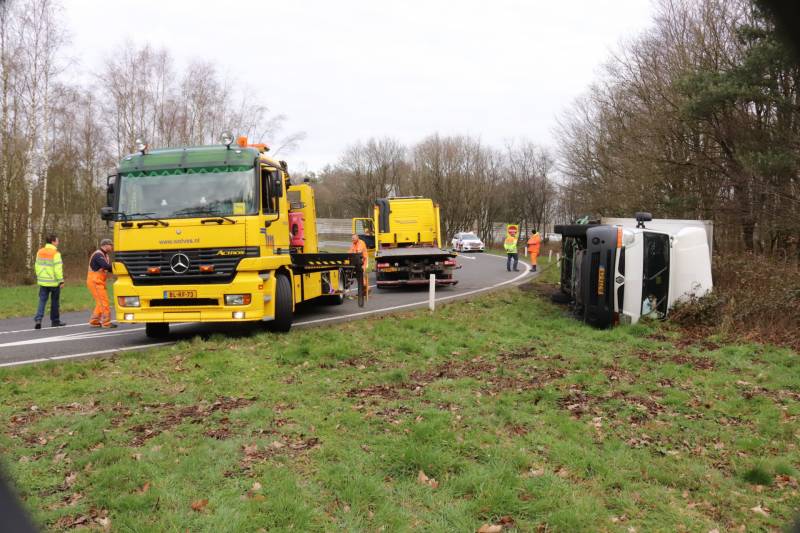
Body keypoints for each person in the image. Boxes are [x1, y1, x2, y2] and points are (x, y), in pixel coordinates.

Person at [34, 234, 66, 329]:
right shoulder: (55, 253)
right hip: (53, 282)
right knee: (55, 301)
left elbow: (36, 265)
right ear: (53, 241)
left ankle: (38, 319)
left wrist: (39, 276)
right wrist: (61, 281)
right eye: (57, 241)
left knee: (42, 300)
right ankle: (55, 321)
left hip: (43, 281)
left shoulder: (40, 252)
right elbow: (57, 269)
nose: (58, 242)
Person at [87, 239, 117, 328]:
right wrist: (117, 267)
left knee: (100, 302)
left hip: (99, 282)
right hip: (95, 281)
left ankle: (94, 321)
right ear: (106, 245)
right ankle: (106, 323)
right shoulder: (98, 255)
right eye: (111, 245)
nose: (112, 247)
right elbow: (105, 266)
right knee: (104, 302)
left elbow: (107, 268)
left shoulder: (105, 255)